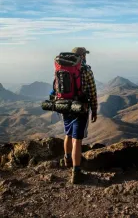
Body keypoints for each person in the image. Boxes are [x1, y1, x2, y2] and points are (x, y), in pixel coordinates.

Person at [59, 47, 97, 184]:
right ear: (82, 56)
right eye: (85, 55)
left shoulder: (62, 68)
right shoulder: (86, 70)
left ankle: (67, 159)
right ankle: (76, 172)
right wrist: (94, 109)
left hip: (64, 105)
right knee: (77, 140)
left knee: (67, 134)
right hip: (80, 107)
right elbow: (92, 92)